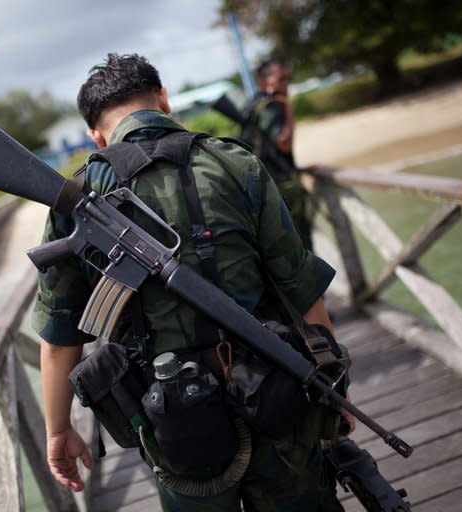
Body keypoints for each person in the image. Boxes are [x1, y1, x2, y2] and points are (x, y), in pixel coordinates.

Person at [33, 53, 351, 511]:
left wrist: (58, 430)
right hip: (275, 391)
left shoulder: (76, 197)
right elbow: (301, 288)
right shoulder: (236, 164)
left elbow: (61, 338)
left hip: (173, 420)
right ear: (163, 99)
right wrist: (332, 381)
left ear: (95, 134)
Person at [240, 56, 315, 251]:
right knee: (303, 248)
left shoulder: (252, 105)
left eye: (287, 79)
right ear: (263, 82)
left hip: (265, 190)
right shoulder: (270, 105)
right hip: (282, 190)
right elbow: (284, 143)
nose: (286, 84)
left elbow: (264, 148)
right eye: (280, 79)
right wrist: (288, 107)